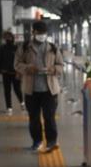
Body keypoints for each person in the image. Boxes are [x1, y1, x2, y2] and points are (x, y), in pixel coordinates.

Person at [15, 21, 64, 152]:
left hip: (50, 89)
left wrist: (53, 69)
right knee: (34, 118)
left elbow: (61, 66)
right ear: (33, 33)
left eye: (44, 33)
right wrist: (27, 68)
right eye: (39, 33)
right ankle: (37, 141)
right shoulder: (24, 47)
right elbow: (17, 64)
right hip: (31, 90)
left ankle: (51, 142)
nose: (41, 36)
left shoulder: (53, 48)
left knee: (49, 117)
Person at [0, 31, 24, 114]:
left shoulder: (17, 48)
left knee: (17, 89)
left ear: (12, 38)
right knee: (7, 90)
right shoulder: (2, 48)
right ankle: (9, 107)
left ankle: (22, 102)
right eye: (6, 37)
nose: (7, 39)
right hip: (5, 72)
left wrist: (20, 71)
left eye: (9, 37)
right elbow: (0, 60)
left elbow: (20, 60)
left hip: (15, 72)